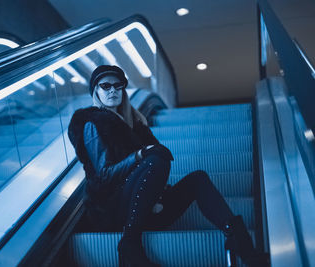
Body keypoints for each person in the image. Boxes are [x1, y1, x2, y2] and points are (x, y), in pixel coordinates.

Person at [68, 65, 268, 266]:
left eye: (118, 85)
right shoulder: (92, 124)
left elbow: (146, 172)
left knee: (197, 178)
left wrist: (155, 184)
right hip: (114, 210)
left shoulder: (135, 125)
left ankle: (240, 242)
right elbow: (103, 176)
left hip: (149, 208)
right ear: (96, 91)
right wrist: (139, 155)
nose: (112, 90)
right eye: (106, 85)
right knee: (155, 157)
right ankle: (129, 242)